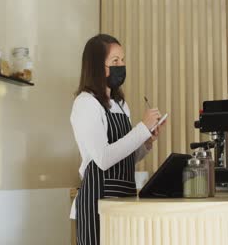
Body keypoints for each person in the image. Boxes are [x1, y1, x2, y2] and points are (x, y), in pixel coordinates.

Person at [70, 34, 163, 245]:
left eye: (122, 60)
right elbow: (103, 158)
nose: (121, 65)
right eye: (115, 61)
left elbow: (124, 157)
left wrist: (147, 141)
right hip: (98, 201)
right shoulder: (86, 104)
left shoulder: (121, 104)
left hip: (124, 197)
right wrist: (142, 128)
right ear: (96, 66)